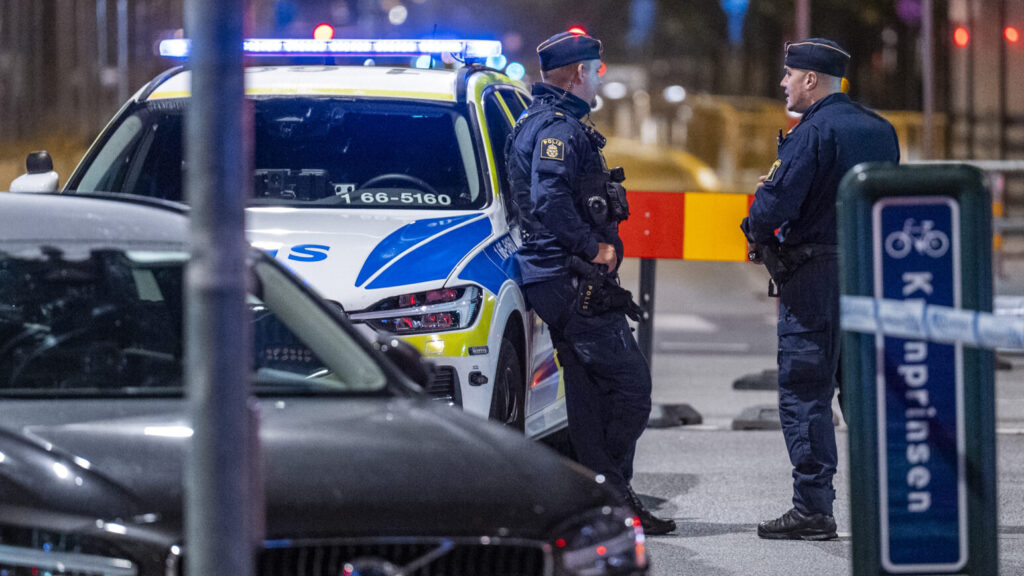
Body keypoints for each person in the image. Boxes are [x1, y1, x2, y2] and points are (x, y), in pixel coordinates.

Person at [506, 30, 676, 535]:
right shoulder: (557, 130)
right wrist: (591, 247)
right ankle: (607, 492)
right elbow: (550, 200)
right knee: (630, 389)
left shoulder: (541, 121)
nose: (600, 78)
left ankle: (604, 504)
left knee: (586, 392)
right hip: (569, 276)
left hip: (558, 278)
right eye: (597, 70)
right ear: (579, 72)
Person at [741, 38, 900, 540]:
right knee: (868, 392)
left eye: (789, 74)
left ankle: (813, 509)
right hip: (869, 275)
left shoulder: (811, 132)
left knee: (806, 390)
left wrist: (755, 226)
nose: (783, 83)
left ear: (811, 79)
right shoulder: (881, 130)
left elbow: (772, 208)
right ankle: (894, 503)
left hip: (814, 278)